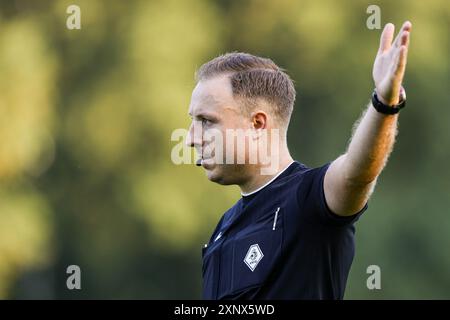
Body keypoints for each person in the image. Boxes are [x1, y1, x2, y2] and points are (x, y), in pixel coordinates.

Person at [186, 21, 412, 299]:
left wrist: (384, 104)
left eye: (206, 121)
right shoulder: (224, 227)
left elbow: (358, 173)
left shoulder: (309, 200)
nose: (190, 139)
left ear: (258, 124)